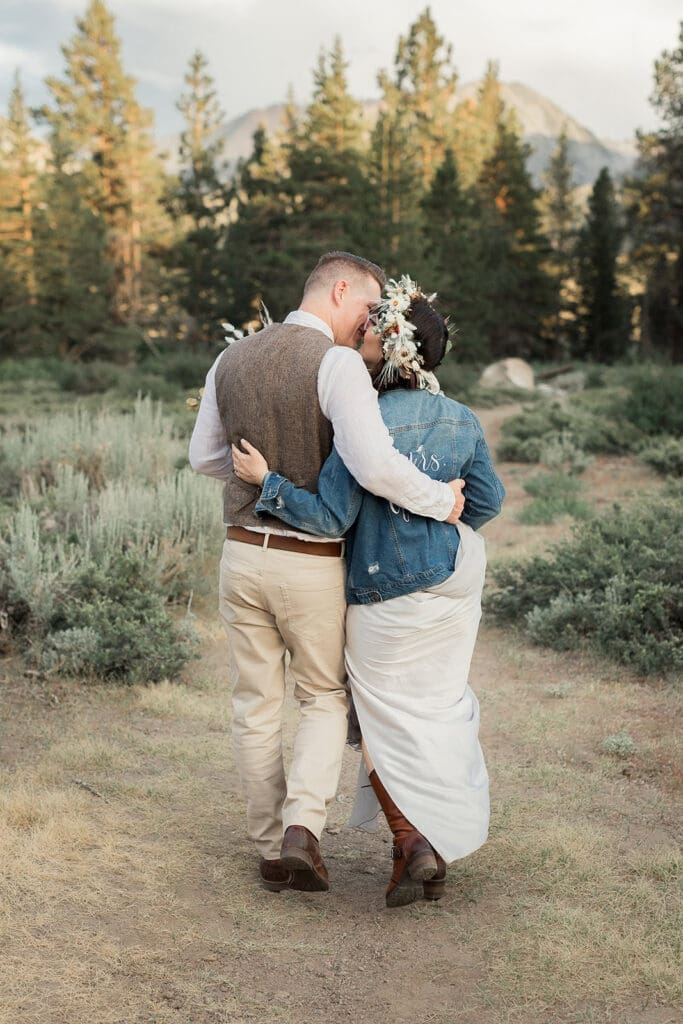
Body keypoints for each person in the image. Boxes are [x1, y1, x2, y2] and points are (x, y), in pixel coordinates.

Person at [189, 253, 466, 895]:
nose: (371, 320)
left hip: (239, 553)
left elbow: (203, 455)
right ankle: (301, 831)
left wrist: (258, 480)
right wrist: (439, 500)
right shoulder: (336, 363)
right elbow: (373, 465)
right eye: (369, 306)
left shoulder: (230, 359)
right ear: (340, 290)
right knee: (320, 696)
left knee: (254, 703)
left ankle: (267, 850)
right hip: (306, 562)